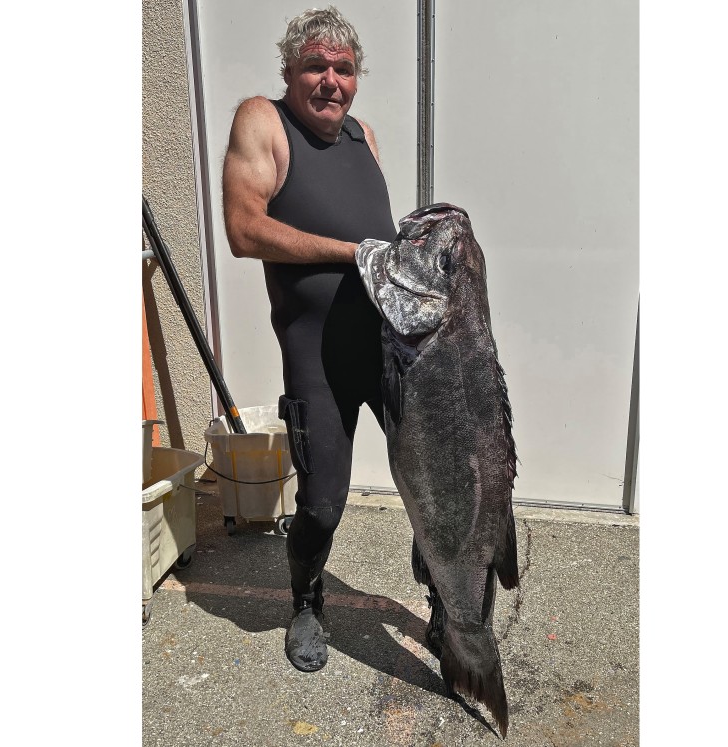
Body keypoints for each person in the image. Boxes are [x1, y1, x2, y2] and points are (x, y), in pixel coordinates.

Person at [221, 5, 445, 673]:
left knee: (434, 486)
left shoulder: (363, 137)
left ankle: (443, 598)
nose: (329, 79)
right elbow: (243, 230)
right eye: (314, 66)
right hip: (316, 354)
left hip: (388, 350)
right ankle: (307, 601)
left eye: (342, 69)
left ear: (356, 78)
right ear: (289, 72)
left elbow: (380, 242)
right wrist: (351, 253)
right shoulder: (263, 121)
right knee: (321, 502)